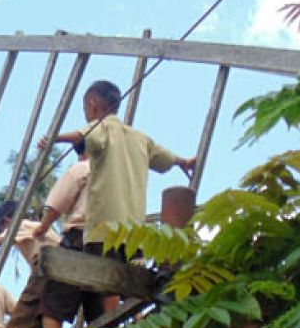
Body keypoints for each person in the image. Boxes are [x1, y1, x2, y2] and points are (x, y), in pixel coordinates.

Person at [38, 79, 195, 312]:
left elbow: (85, 136)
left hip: (105, 226)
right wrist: (184, 162)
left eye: (85, 109)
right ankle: (132, 321)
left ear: (92, 104)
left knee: (106, 282)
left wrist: (54, 138)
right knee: (130, 278)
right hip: (135, 229)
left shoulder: (103, 127)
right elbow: (165, 158)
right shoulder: (140, 138)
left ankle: (110, 327)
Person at [31, 139, 103, 328]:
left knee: (54, 298)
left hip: (79, 238)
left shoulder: (81, 168)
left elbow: (56, 205)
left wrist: (43, 228)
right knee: (98, 299)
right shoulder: (114, 173)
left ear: (81, 152)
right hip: (108, 241)